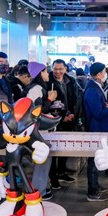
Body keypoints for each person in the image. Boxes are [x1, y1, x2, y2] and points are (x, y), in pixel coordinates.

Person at [24, 61, 57, 200]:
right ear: (40, 73)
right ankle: (39, 190)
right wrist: (49, 99)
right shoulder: (37, 89)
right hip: (35, 130)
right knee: (43, 157)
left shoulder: (33, 88)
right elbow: (37, 111)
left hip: (32, 130)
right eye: (45, 71)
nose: (48, 74)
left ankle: (40, 187)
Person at [82, 63, 108, 202]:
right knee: (94, 160)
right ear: (98, 74)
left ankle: (95, 185)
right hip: (96, 129)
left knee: (96, 159)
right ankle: (92, 191)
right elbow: (98, 113)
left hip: (99, 129)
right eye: (103, 72)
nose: (105, 74)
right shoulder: (92, 90)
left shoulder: (95, 87)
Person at [48, 59, 82, 188]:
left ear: (65, 69)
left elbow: (76, 99)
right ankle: (53, 177)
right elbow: (48, 104)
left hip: (70, 117)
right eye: (55, 69)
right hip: (54, 120)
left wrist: (73, 114)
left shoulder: (71, 81)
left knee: (64, 146)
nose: (58, 72)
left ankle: (62, 172)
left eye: (60, 69)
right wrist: (61, 117)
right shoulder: (48, 82)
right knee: (53, 150)